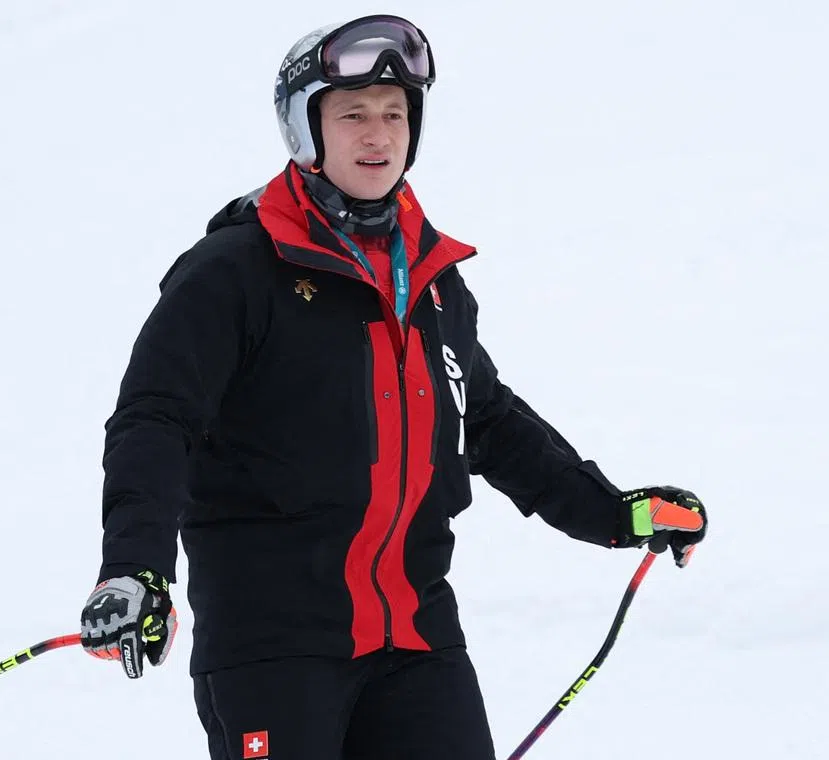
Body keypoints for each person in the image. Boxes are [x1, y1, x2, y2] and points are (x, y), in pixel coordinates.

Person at [78, 14, 707, 760]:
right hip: (274, 649)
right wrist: (134, 567)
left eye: (394, 114)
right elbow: (155, 419)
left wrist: (611, 513)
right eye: (352, 115)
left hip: (416, 640)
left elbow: (491, 421)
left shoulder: (432, 283)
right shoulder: (234, 273)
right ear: (305, 129)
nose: (377, 135)